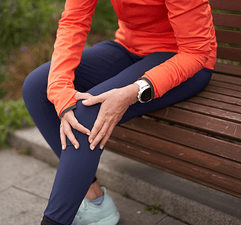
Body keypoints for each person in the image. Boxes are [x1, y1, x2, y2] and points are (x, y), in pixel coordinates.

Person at [22, 0, 217, 224]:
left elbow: (196, 51)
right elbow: (74, 21)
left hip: (184, 58)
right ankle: (95, 201)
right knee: (38, 87)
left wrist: (136, 91)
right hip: (129, 48)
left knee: (90, 113)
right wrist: (61, 90)